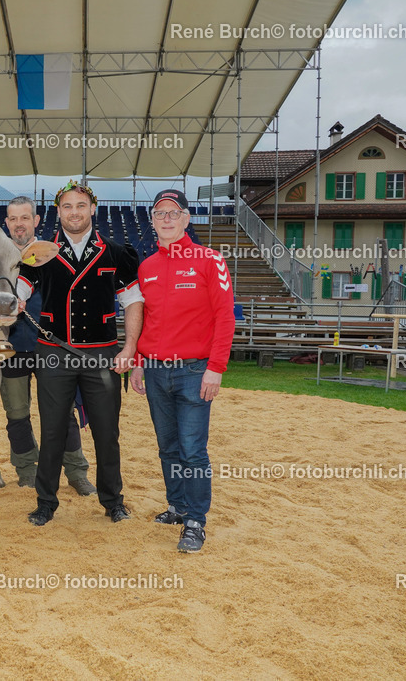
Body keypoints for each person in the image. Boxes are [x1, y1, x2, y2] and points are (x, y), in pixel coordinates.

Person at [17, 181, 143, 526]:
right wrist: (13, 300)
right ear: (58, 212)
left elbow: (133, 301)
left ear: (92, 209)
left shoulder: (117, 252)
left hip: (102, 355)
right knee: (52, 431)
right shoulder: (40, 252)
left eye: (81, 205)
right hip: (53, 354)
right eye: (67, 206)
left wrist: (130, 347)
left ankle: (113, 501)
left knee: (107, 432)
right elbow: (20, 289)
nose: (74, 212)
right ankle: (46, 502)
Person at [131, 189, 235, 553]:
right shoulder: (147, 267)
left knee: (192, 450)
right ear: (152, 220)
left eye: (174, 212)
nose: (167, 219)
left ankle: (195, 520)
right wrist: (139, 362)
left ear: (187, 218)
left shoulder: (210, 260)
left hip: (194, 371)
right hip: (156, 371)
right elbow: (146, 320)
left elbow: (225, 317)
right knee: (168, 447)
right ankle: (177, 506)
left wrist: (216, 367)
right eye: (160, 213)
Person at [1, 196, 95, 495]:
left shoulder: (54, 254)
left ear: (36, 221)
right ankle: (27, 470)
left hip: (51, 348)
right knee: (17, 414)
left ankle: (76, 472)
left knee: (62, 412)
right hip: (11, 349)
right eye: (13, 219)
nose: (19, 224)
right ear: (7, 223)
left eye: (24, 218)